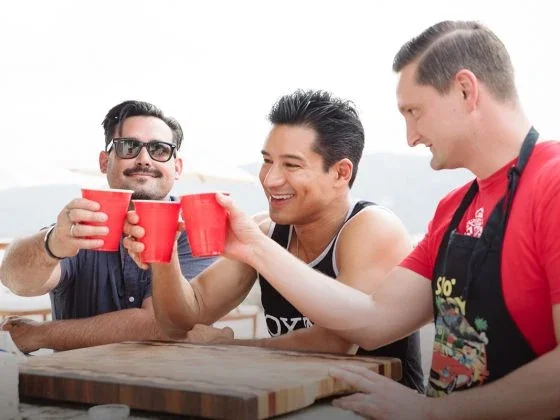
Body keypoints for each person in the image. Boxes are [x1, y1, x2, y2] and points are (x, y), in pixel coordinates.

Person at [180, 22, 560, 419]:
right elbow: (372, 320)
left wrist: (432, 413)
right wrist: (254, 247)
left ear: (465, 91)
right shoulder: (455, 208)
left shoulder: (552, 184)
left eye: (414, 112)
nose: (411, 136)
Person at [123, 90, 425, 392]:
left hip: (379, 406)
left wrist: (228, 349)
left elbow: (336, 343)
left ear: (340, 173)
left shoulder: (372, 227)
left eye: (291, 165)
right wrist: (164, 254)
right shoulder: (265, 232)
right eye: (267, 161)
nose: (270, 179)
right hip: (298, 402)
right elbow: (182, 319)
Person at [0, 100, 216, 353]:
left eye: (159, 149)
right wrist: (51, 244)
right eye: (128, 146)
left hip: (169, 379)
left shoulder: (195, 232)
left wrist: (39, 334)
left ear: (176, 167)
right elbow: (16, 281)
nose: (144, 159)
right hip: (74, 378)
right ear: (104, 162)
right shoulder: (79, 224)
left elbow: (161, 323)